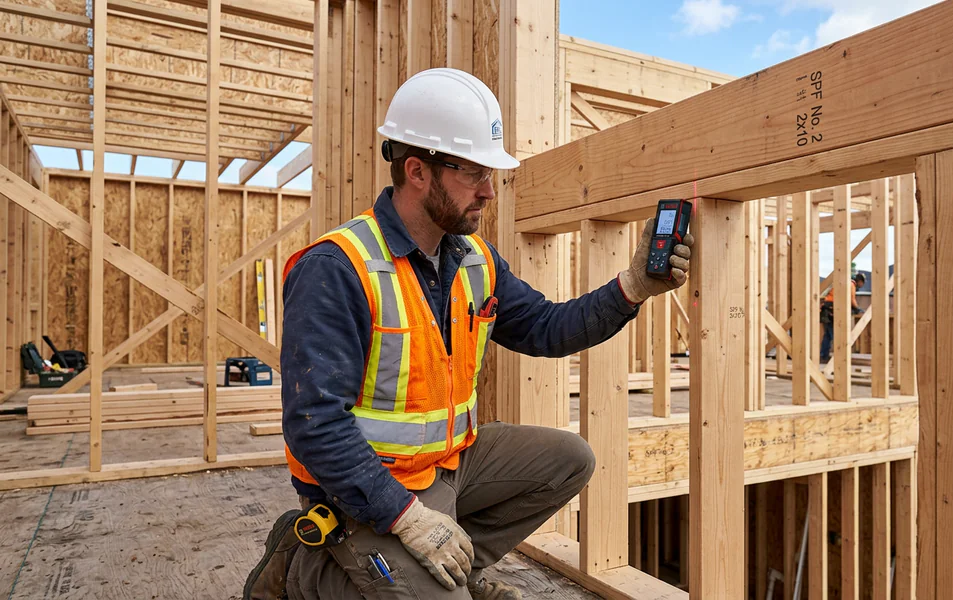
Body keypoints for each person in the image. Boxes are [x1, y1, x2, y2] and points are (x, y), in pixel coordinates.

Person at [243, 68, 694, 600]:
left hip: (450, 466)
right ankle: (306, 570)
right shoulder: (338, 268)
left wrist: (635, 285)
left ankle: (454, 571)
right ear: (418, 171)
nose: (488, 191)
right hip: (363, 491)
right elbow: (315, 425)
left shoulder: (472, 259)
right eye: (475, 174)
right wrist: (410, 520)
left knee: (571, 460)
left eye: (491, 175)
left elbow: (547, 329)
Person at [819, 270, 865, 364]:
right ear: (860, 281)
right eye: (862, 283)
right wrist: (858, 309)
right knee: (835, 334)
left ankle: (823, 356)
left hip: (826, 309)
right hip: (831, 310)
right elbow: (852, 299)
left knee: (827, 335)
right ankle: (839, 358)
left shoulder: (844, 283)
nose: (862, 285)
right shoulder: (851, 284)